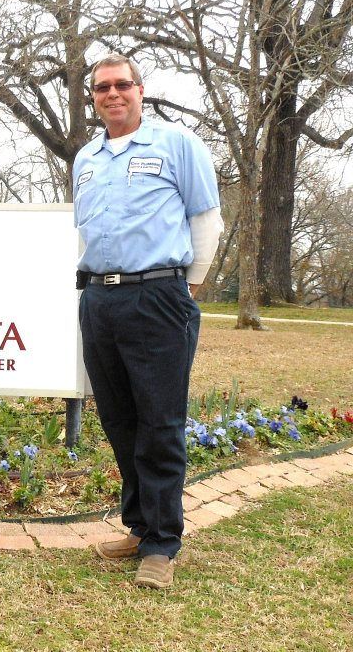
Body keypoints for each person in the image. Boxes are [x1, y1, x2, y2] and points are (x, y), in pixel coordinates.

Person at [73, 54, 224, 589]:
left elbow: (205, 217)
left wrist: (190, 284)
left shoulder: (176, 145)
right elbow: (84, 233)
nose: (111, 94)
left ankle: (162, 545)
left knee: (159, 422)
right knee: (119, 418)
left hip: (158, 296)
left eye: (121, 85)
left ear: (140, 90)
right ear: (93, 98)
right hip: (100, 300)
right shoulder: (86, 159)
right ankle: (140, 528)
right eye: (101, 88)